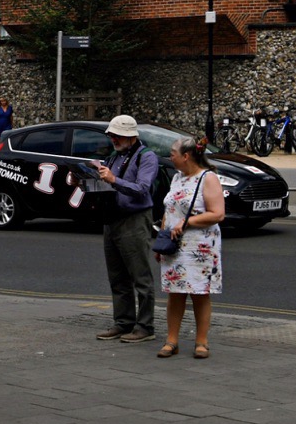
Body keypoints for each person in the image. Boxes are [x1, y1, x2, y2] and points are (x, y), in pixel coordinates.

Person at [154, 136, 225, 359]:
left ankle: (201, 342)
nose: (170, 157)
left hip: (200, 245)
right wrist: (161, 242)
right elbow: (169, 211)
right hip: (175, 244)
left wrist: (186, 222)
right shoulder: (177, 178)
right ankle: (171, 341)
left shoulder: (208, 178)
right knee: (175, 294)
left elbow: (217, 213)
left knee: (199, 293)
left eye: (173, 153)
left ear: (186, 156)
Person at [92, 114, 158, 343]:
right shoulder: (114, 157)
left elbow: (142, 189)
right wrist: (84, 179)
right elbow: (104, 183)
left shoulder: (146, 157)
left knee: (140, 277)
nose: (113, 139)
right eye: (111, 135)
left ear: (131, 137)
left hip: (135, 219)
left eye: (118, 136)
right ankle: (123, 322)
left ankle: (145, 326)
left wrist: (113, 180)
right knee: (117, 277)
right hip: (112, 219)